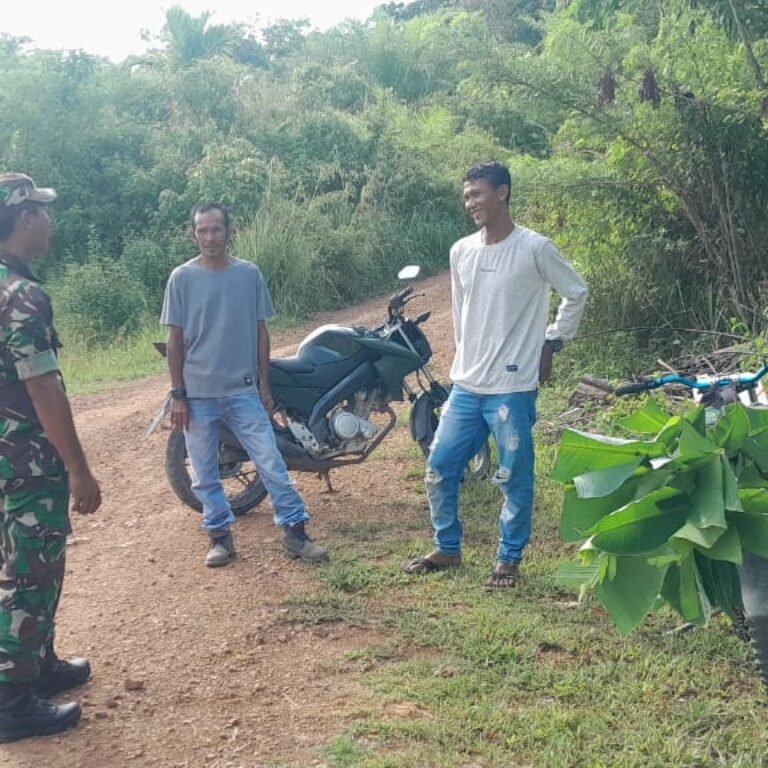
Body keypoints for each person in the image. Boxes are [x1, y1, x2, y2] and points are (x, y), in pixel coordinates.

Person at [403, 161, 588, 589]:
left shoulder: (534, 248)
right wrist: (463, 362)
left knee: (513, 476)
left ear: (502, 193)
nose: (471, 203)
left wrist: (552, 340)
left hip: (512, 390)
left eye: (478, 194)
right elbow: (463, 314)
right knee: (439, 467)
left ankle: (508, 560)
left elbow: (576, 291)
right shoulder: (461, 250)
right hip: (468, 386)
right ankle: (447, 548)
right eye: (467, 196)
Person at [160, 203, 328, 568]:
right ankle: (220, 537)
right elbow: (175, 339)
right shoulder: (181, 279)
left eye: (216, 229)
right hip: (198, 394)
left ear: (229, 232)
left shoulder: (248, 275)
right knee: (204, 474)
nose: (209, 237)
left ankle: (296, 534)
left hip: (243, 391)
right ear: (193, 235)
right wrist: (178, 393)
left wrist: (265, 386)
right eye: (202, 231)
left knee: (271, 461)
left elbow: (260, 332)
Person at [0, 174, 102, 742]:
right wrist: (79, 469)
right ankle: (12, 703)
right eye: (42, 210)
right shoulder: (21, 296)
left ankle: (39, 665)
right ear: (24, 218)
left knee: (22, 562)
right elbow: (43, 389)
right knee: (30, 575)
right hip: (26, 461)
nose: (48, 220)